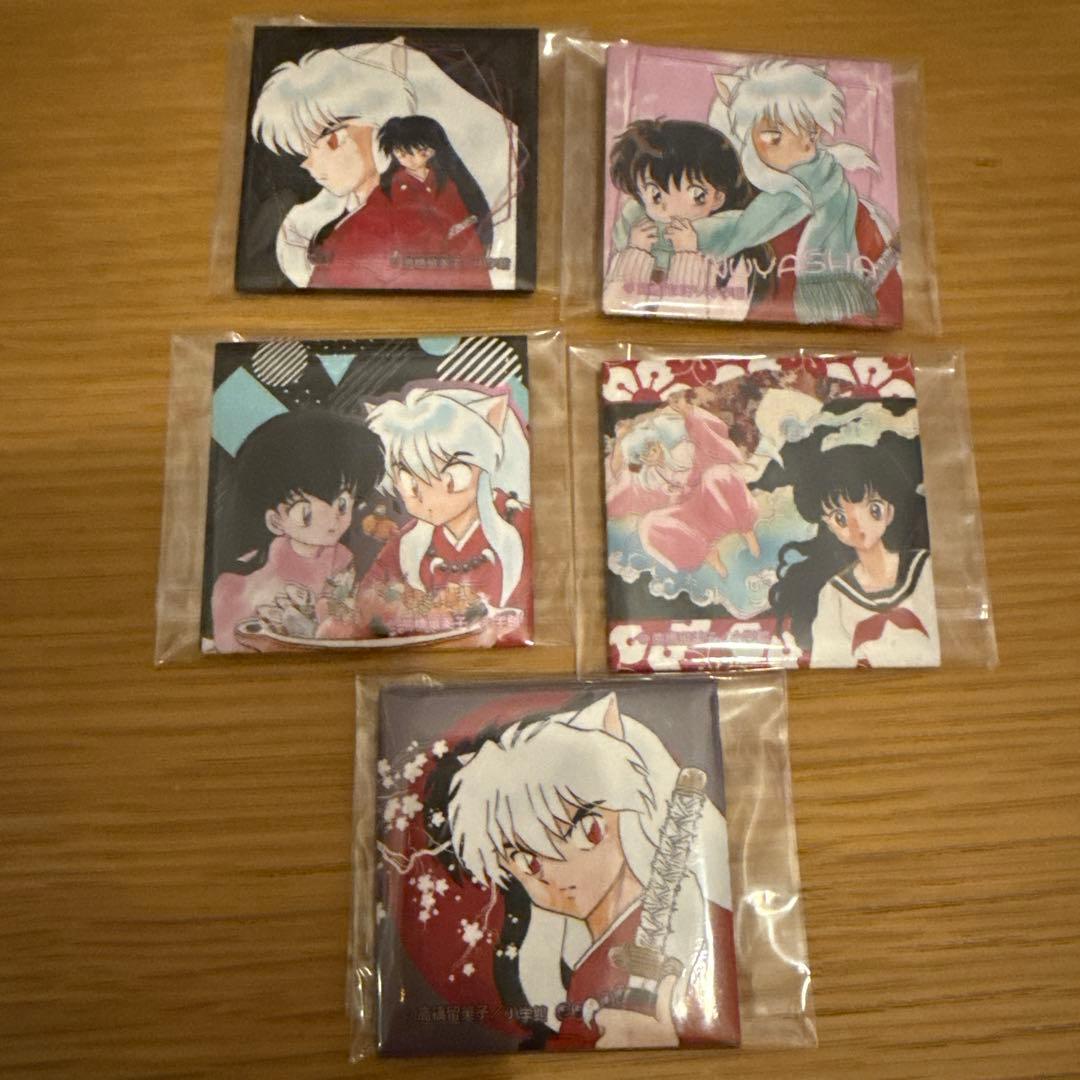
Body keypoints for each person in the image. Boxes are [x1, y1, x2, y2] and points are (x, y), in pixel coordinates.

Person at [425, 692, 740, 1049]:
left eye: (586, 830)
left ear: (618, 809)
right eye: (527, 861)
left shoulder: (696, 923)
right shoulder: (582, 966)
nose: (558, 872)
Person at [249, 38, 516, 289]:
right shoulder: (437, 189)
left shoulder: (359, 235)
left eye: (312, 150)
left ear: (339, 138)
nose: (306, 165)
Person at [707, 58, 903, 324]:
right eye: (774, 137)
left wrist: (853, 314)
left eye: (810, 132)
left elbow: (888, 301)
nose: (803, 147)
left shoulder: (846, 208)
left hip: (830, 336)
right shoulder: (733, 206)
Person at [754, 398, 939, 666]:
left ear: (889, 510)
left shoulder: (925, 570)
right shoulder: (835, 594)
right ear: (829, 525)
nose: (857, 527)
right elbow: (827, 659)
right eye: (840, 518)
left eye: (873, 509)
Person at [358, 386, 532, 642]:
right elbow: (366, 600)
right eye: (410, 482)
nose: (429, 495)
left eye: (451, 476)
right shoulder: (407, 543)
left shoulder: (523, 523)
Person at [209, 410, 382, 652]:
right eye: (306, 514)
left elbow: (343, 609)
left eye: (342, 505)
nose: (331, 521)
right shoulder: (245, 576)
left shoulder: (343, 557)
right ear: (275, 521)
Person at [605, 118, 772, 314]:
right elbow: (614, 307)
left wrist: (687, 255)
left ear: (718, 198)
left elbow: (707, 318)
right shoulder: (633, 234)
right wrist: (636, 253)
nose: (673, 209)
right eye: (656, 195)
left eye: (696, 195)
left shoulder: (732, 249)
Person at [608, 395, 760, 577]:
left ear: (658, 443)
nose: (653, 455)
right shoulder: (649, 478)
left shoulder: (683, 450)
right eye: (645, 456)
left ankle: (747, 531)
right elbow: (619, 479)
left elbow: (705, 443)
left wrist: (687, 411)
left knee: (718, 474)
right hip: (689, 515)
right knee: (648, 524)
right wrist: (621, 440)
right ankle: (708, 555)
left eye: (653, 448)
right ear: (641, 460)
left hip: (710, 501)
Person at [376, 115, 493, 289]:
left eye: (421, 152)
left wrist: (465, 225)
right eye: (402, 153)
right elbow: (400, 226)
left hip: (460, 255)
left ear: (432, 152)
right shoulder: (394, 185)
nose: (411, 159)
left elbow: (460, 210)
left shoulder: (445, 179)